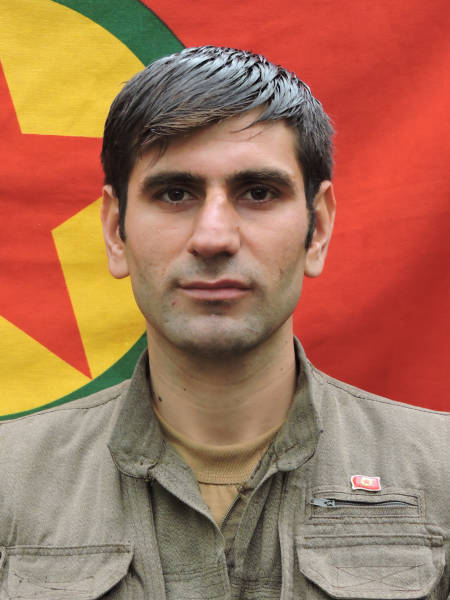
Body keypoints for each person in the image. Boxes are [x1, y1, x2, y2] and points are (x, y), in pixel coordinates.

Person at [1, 46, 448, 600]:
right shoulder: (8, 484)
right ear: (116, 231)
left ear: (317, 229)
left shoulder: (441, 473)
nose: (214, 237)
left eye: (258, 193)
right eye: (175, 193)